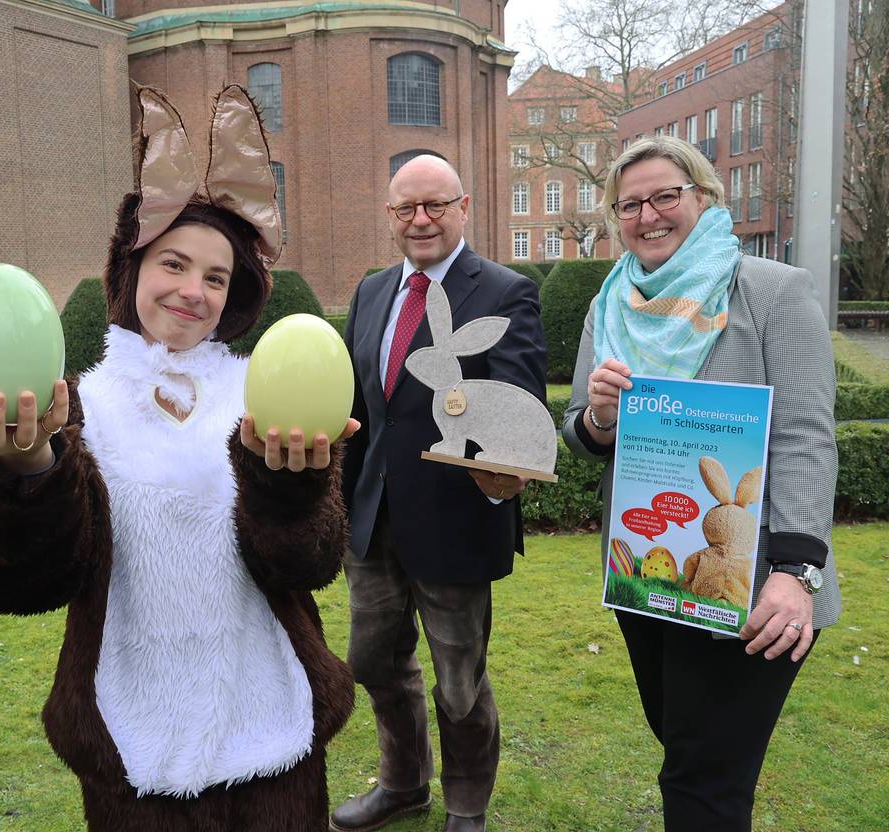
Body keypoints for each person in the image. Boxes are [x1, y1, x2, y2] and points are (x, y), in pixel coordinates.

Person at [0, 85, 355, 832]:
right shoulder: (78, 407)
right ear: (132, 268)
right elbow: (27, 584)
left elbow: (311, 562)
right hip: (134, 740)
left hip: (269, 722)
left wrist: (293, 487)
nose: (192, 292)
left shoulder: (264, 398)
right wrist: (25, 472)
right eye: (173, 264)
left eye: (215, 277)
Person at [562, 136, 840, 831]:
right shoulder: (610, 304)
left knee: (701, 778)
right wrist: (600, 416)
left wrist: (797, 573)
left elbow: (806, 437)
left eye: (665, 196)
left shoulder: (772, 291)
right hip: (652, 575)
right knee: (686, 748)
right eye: (629, 205)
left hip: (755, 585)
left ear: (705, 198)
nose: (648, 216)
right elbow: (580, 433)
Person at [333, 155, 546, 832]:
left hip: (456, 520)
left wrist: (504, 470)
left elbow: (516, 403)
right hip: (372, 519)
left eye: (435, 205)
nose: (420, 219)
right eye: (406, 208)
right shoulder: (372, 292)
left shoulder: (506, 291)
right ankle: (404, 785)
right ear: (390, 215)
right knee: (373, 661)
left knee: (458, 681)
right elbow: (360, 409)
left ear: (464, 208)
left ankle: (466, 807)